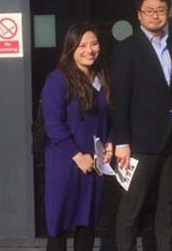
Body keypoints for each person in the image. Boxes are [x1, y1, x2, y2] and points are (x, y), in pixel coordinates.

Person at [113, 0, 172, 251]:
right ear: (139, 15)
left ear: (168, 13)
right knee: (132, 206)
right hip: (138, 143)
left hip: (170, 139)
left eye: (161, 10)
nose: (155, 15)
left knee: (167, 204)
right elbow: (120, 98)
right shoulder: (127, 49)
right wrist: (121, 141)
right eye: (150, 11)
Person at [42, 22, 112, 251]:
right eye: (82, 45)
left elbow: (108, 118)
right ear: (71, 48)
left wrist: (109, 143)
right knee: (59, 226)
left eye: (94, 43)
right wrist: (77, 156)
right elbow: (54, 125)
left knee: (87, 225)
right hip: (66, 162)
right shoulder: (58, 80)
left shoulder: (101, 77)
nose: (90, 50)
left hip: (94, 163)